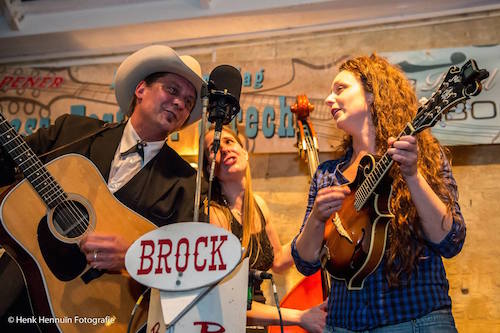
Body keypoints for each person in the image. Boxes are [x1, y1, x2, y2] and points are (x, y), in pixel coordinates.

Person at [0, 45, 206, 331]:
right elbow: (5, 166)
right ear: (140, 89)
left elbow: (187, 266)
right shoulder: (71, 130)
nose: (180, 103)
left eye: (188, 100)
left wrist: (135, 256)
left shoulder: (187, 184)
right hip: (14, 290)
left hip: (98, 316)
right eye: (172, 90)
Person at [292, 54, 466, 332]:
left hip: (416, 321)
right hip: (343, 325)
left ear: (372, 94)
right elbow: (305, 261)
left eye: (340, 89)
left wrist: (412, 176)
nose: (328, 99)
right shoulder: (328, 174)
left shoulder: (423, 157)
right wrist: (315, 219)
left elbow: (451, 241)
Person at [203, 126, 327, 333]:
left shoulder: (258, 205)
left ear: (244, 153)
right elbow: (226, 300)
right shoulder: (213, 215)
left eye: (228, 142)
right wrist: (300, 316)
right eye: (214, 147)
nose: (224, 149)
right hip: (228, 324)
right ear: (209, 169)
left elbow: (278, 261)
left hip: (259, 323)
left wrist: (316, 224)